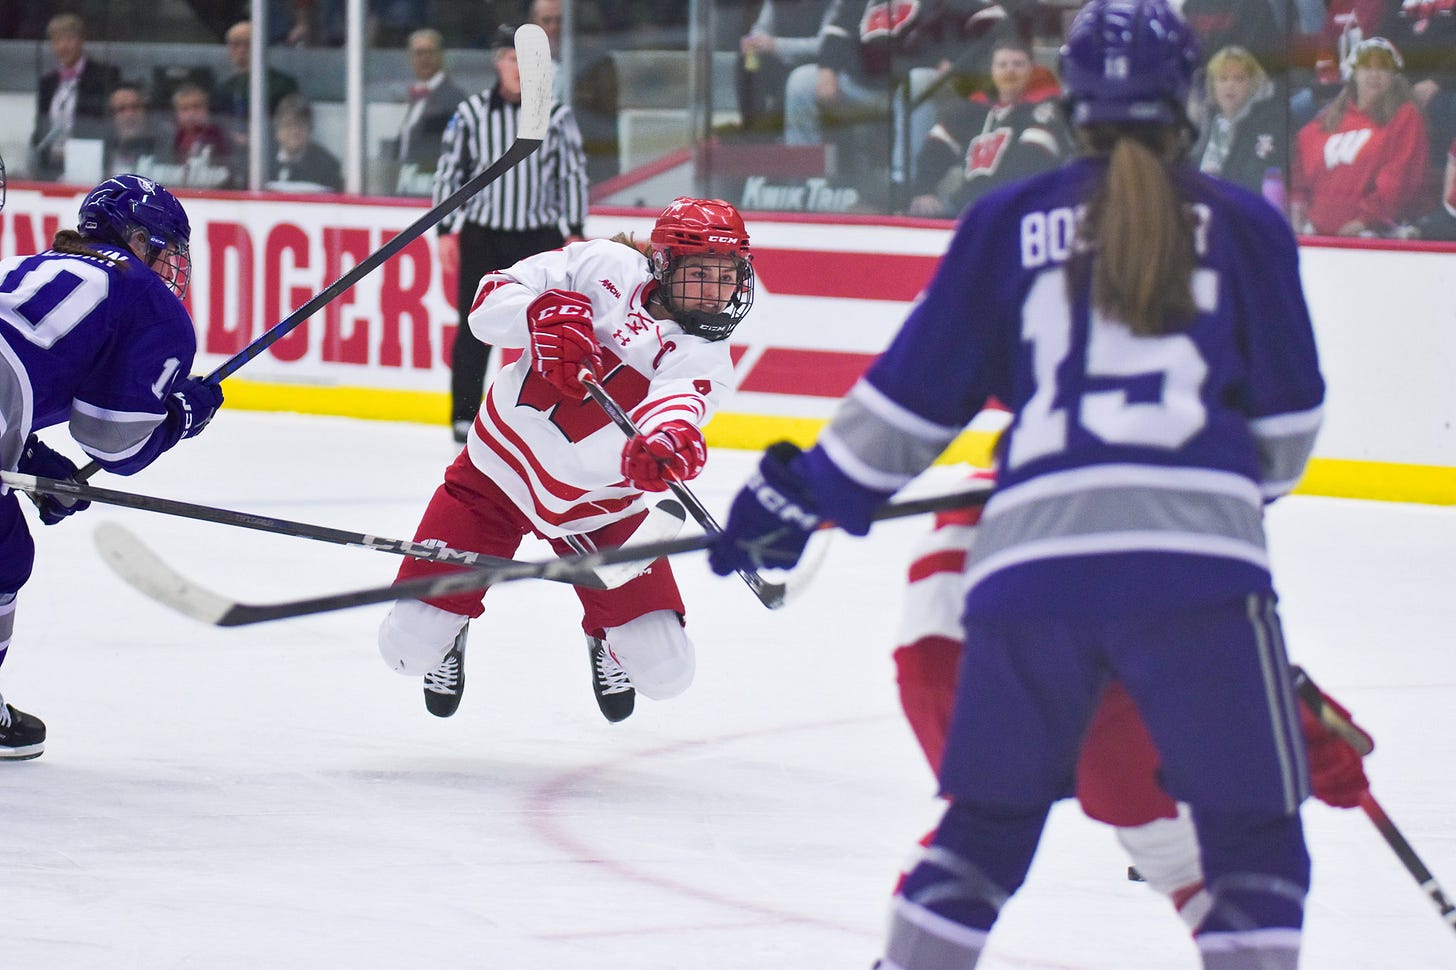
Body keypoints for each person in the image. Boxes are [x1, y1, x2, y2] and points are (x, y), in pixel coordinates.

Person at [709, 1, 1327, 967]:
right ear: (1188, 100)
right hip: (1203, 579)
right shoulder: (1248, 225)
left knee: (983, 839)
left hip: (1029, 576)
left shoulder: (1009, 219)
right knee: (1255, 851)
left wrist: (796, 500)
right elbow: (1286, 439)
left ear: (1072, 102)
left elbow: (908, 409)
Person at [893, 469, 1376, 929]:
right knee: (1194, 852)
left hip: (934, 656)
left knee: (982, 833)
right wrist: (1292, 722)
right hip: (1055, 642)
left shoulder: (1064, 442)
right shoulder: (1185, 480)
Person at [377, 197, 755, 725]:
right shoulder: (601, 265)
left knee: (668, 673)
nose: (717, 294)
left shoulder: (704, 354)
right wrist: (536, 312)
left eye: (729, 276)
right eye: (701, 275)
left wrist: (665, 442)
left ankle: (608, 640)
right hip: (494, 477)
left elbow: (679, 405)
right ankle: (450, 627)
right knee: (405, 649)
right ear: (663, 264)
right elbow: (489, 299)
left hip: (596, 509)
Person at [0, 174, 225, 759]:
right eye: (166, 248)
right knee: (3, 555)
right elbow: (115, 445)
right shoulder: (143, 297)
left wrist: (32, 459)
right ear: (138, 241)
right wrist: (182, 416)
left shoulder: (32, 262)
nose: (172, 265)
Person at [434, 24, 589, 444]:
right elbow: (451, 171)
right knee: (474, 325)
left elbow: (571, 175)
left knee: (543, 329)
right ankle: (464, 413)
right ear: (496, 62)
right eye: (509, 57)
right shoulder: (470, 114)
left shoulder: (556, 115)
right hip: (483, 233)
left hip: (538, 238)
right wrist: (446, 229)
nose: (517, 67)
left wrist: (574, 231)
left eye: (525, 59)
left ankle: (539, 415)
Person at [906, 32, 1068, 218]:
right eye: (1002, 65)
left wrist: (985, 205)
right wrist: (923, 189)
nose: (1010, 71)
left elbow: (1029, 163)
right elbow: (937, 147)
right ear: (992, 71)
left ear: (1032, 69)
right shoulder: (976, 109)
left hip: (1014, 210)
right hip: (967, 205)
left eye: (1018, 64)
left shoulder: (1045, 110)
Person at [1291, 36, 1429, 236]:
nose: (1374, 74)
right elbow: (1299, 171)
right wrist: (1298, 212)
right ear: (1353, 73)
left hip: (1370, 236)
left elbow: (1399, 180)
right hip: (1317, 237)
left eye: (1383, 67)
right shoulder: (1328, 119)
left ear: (1394, 76)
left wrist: (1363, 222)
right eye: (1366, 66)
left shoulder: (1405, 116)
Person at [29, 13, 120, 181]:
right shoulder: (47, 82)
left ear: (82, 41)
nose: (63, 46)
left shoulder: (104, 75)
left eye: (69, 39)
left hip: (87, 160)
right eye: (57, 41)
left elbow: (102, 122)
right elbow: (41, 125)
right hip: (52, 165)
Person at [1190, 45, 1287, 194]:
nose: (1230, 85)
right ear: (1212, 86)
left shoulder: (1267, 125)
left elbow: (1254, 180)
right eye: (1223, 79)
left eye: (1239, 79)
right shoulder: (1206, 124)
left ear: (1252, 85)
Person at [736, 0, 833, 137]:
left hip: (814, 66)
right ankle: (751, 127)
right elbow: (761, 29)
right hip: (780, 62)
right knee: (747, 62)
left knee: (797, 81)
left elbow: (827, 44)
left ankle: (776, 131)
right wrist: (753, 41)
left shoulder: (830, 4)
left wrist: (776, 45)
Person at [391, 27, 467, 196]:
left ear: (441, 55)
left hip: (433, 185)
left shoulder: (453, 97)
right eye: (419, 53)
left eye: (430, 52)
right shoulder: (413, 96)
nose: (424, 58)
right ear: (410, 58)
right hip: (408, 183)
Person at [212, 21, 302, 156]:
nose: (241, 50)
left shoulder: (282, 84)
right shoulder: (224, 87)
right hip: (230, 152)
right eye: (236, 44)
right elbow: (216, 123)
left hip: (270, 152)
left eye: (248, 44)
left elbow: (292, 122)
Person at [266, 92, 343, 191]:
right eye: (288, 124)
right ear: (277, 130)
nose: (294, 131)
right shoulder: (262, 161)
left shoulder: (328, 166)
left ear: (310, 130)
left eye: (300, 125)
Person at [169, 82, 236, 189]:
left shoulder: (221, 138)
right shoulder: (169, 139)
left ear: (207, 109)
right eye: (185, 109)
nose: (191, 113)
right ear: (176, 113)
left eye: (197, 107)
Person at [103, 82, 165, 178]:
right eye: (121, 109)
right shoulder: (101, 150)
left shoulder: (164, 147)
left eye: (135, 107)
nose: (129, 114)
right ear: (112, 115)